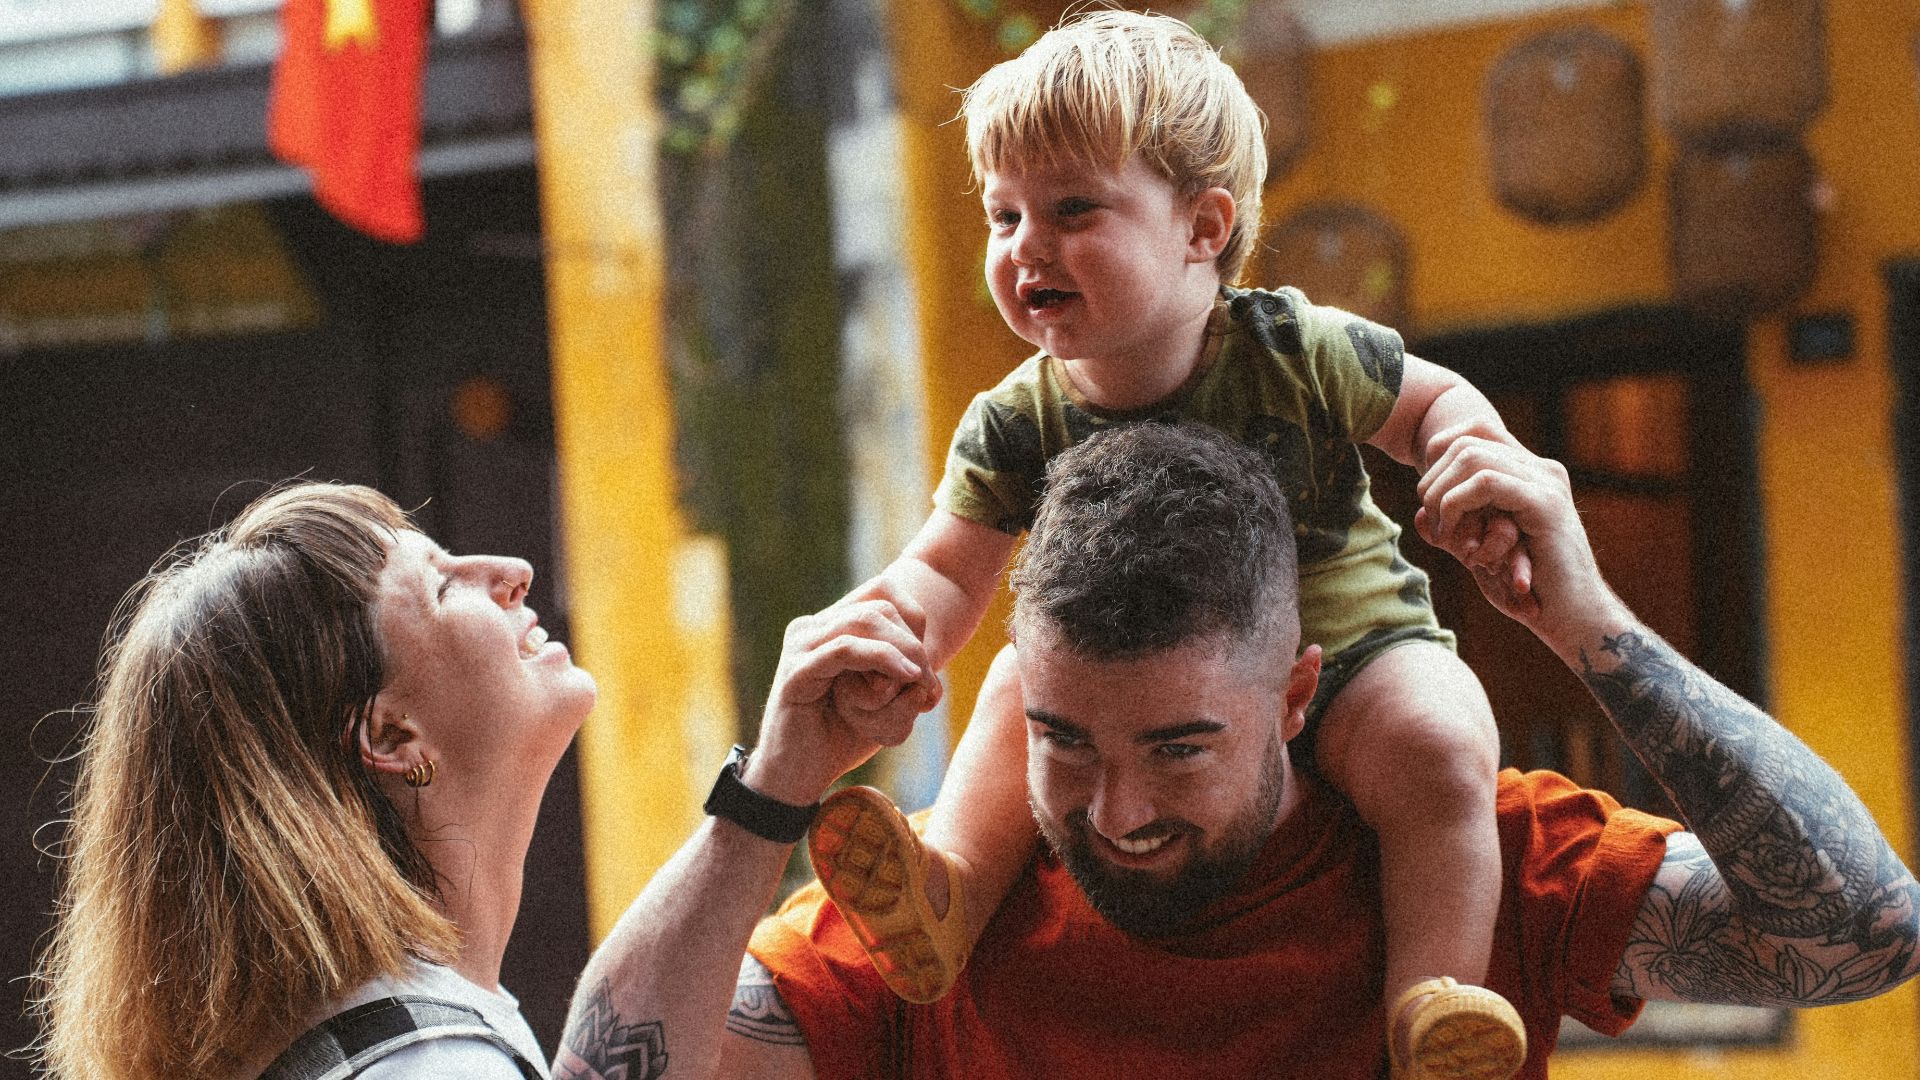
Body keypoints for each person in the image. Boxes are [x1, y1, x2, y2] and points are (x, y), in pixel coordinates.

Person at [554, 421, 1920, 1079]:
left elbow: (1864, 936)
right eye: (1062, 741)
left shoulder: (1465, 864)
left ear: (1295, 696)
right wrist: (774, 789)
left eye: (1179, 749)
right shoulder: (933, 933)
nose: (1115, 810)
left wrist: (1593, 627)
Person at [813, 9, 1531, 1071]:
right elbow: (945, 570)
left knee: (1439, 745)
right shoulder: (1016, 419)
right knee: (1017, 687)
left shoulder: (1292, 350)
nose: (1025, 247)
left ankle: (1433, 1003)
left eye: (1072, 209)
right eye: (1004, 214)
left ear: (1203, 227)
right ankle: (947, 892)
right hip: (1127, 716)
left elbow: (1430, 404)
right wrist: (887, 633)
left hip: (1353, 654)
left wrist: (1472, 458)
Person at [31, 483, 595, 1080]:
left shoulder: (388, 1040)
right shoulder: (434, 1067)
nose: (514, 571)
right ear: (390, 736)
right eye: (442, 588)